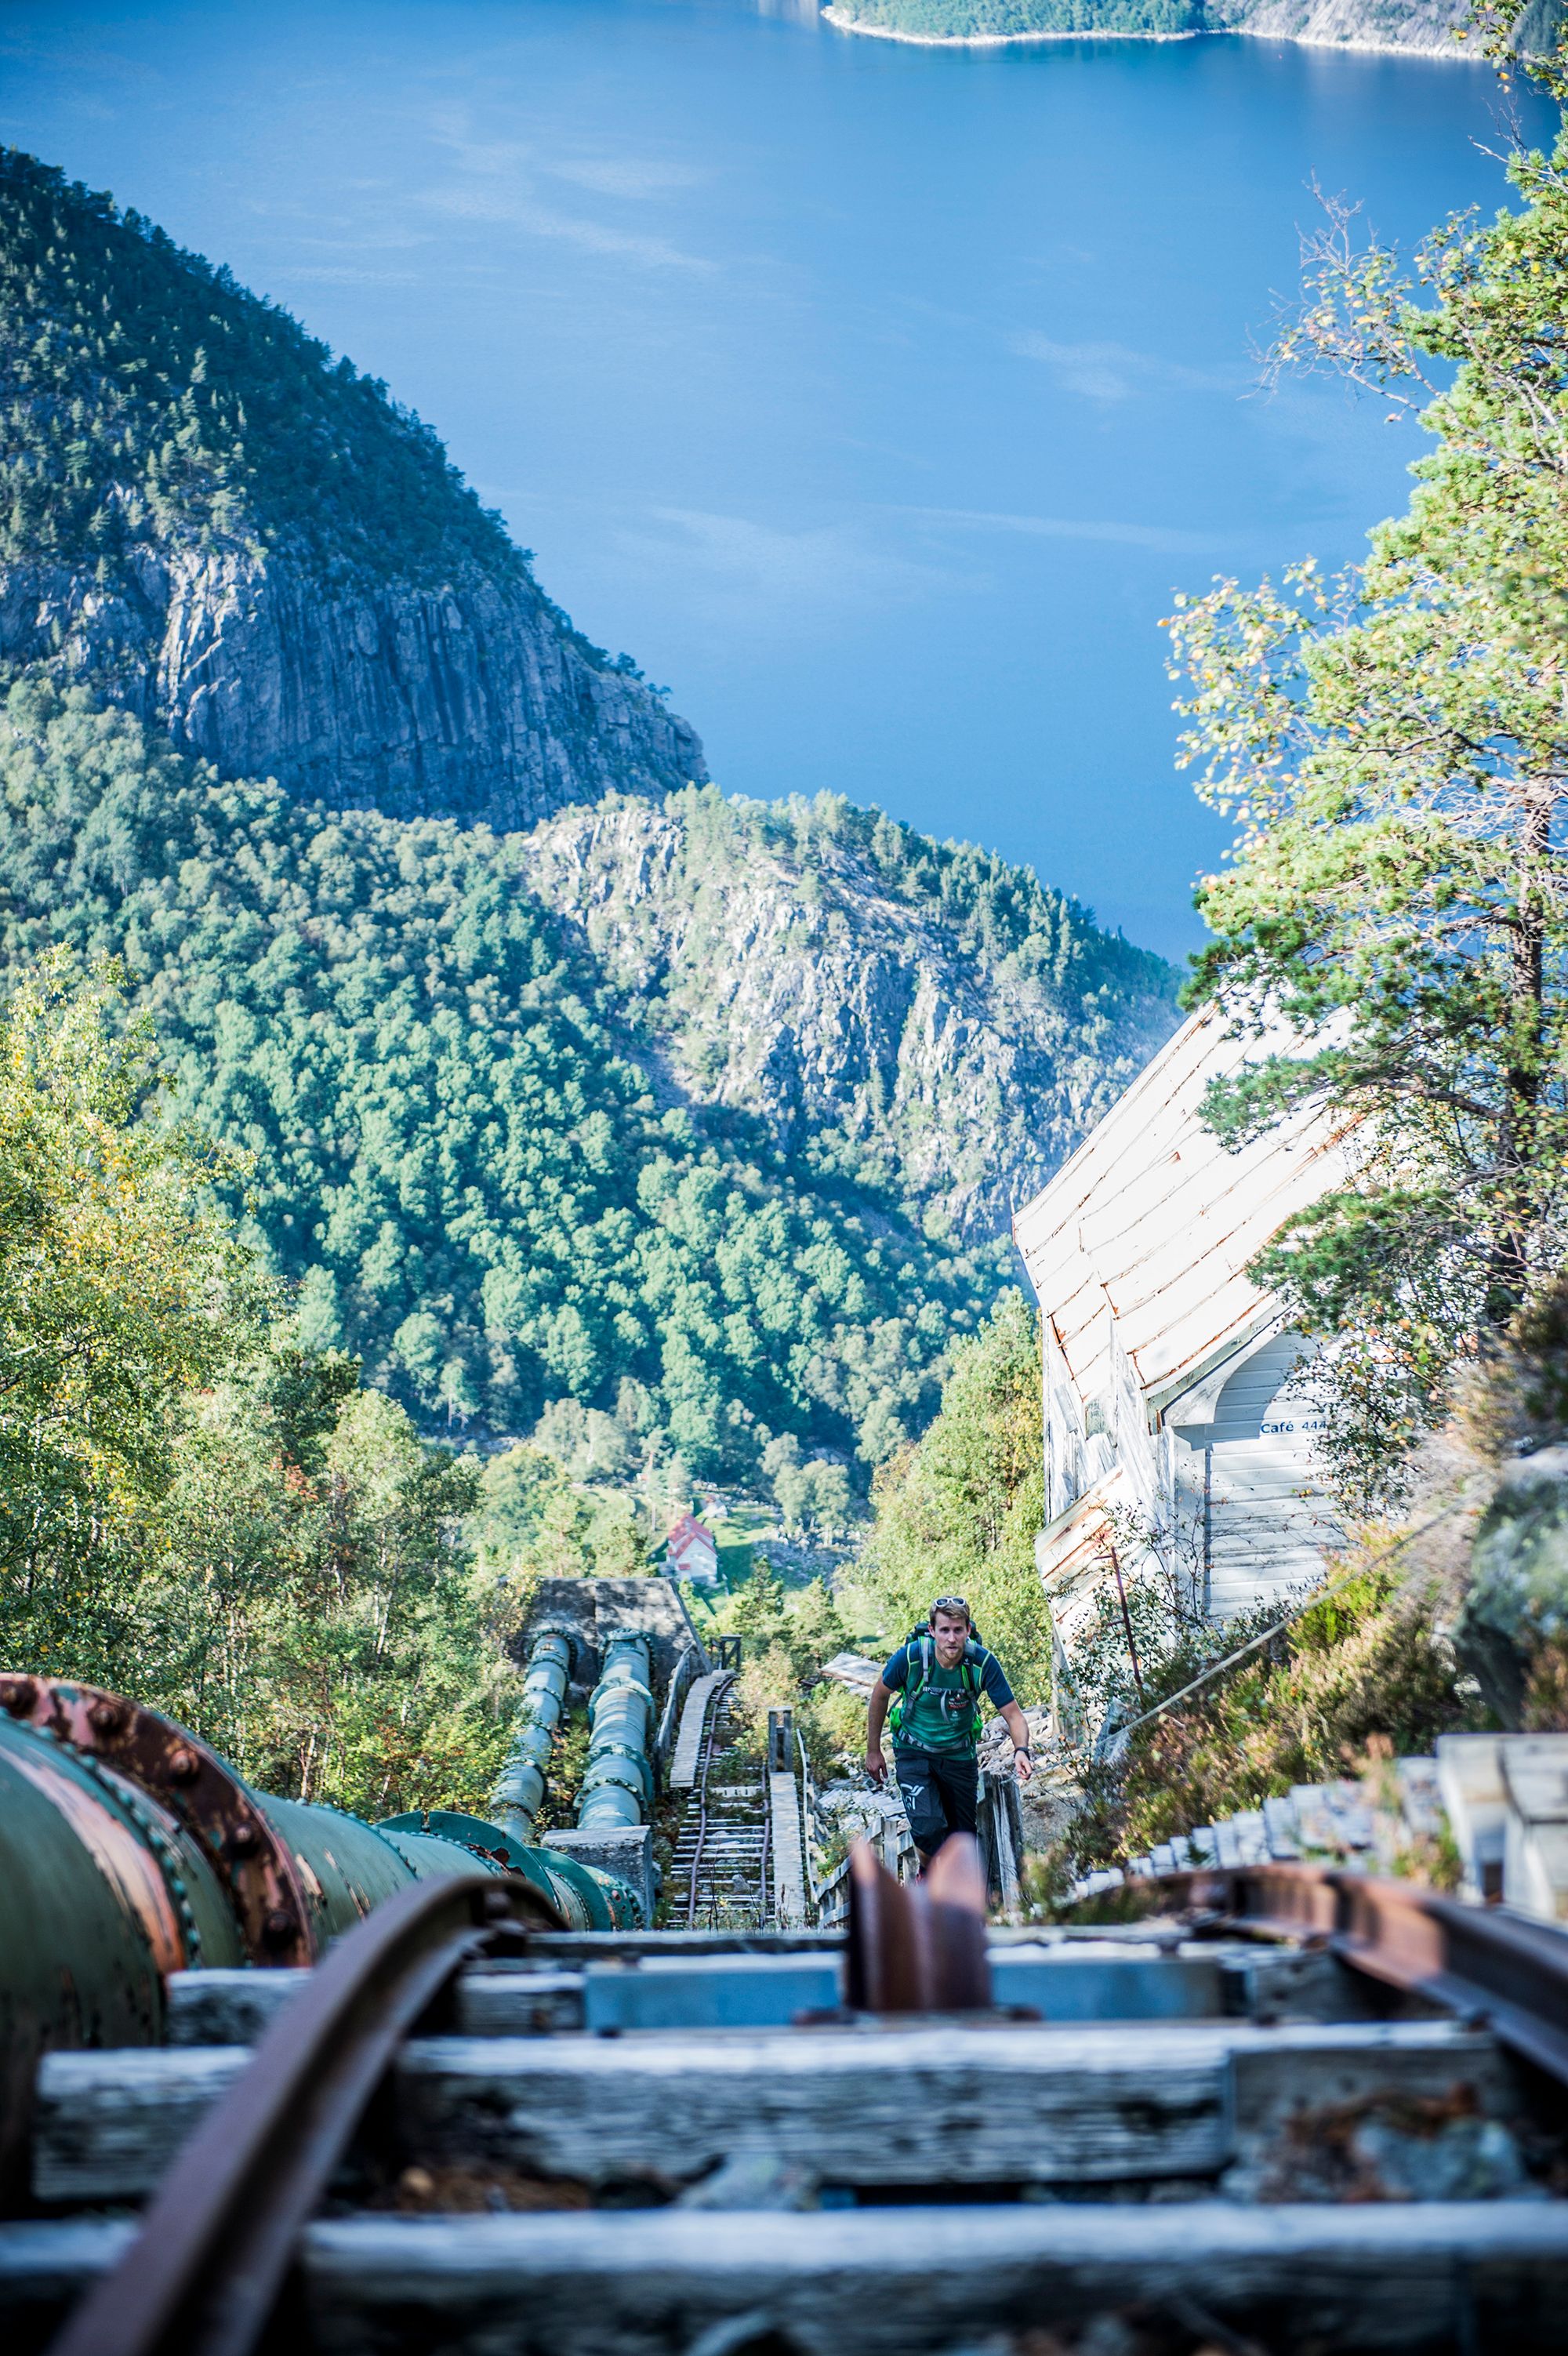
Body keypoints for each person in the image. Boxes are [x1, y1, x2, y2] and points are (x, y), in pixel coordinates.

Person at [864, 1595, 1033, 1868]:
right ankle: (929, 1876)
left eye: (958, 1630)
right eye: (944, 1630)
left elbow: (1013, 1715)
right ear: (932, 1631)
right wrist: (873, 1750)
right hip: (913, 1751)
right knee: (929, 1828)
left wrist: (1021, 1751)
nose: (952, 1639)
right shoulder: (912, 1656)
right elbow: (879, 1695)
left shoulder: (982, 1663)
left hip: (958, 1755)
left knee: (963, 1839)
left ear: (968, 1630)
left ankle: (962, 1896)